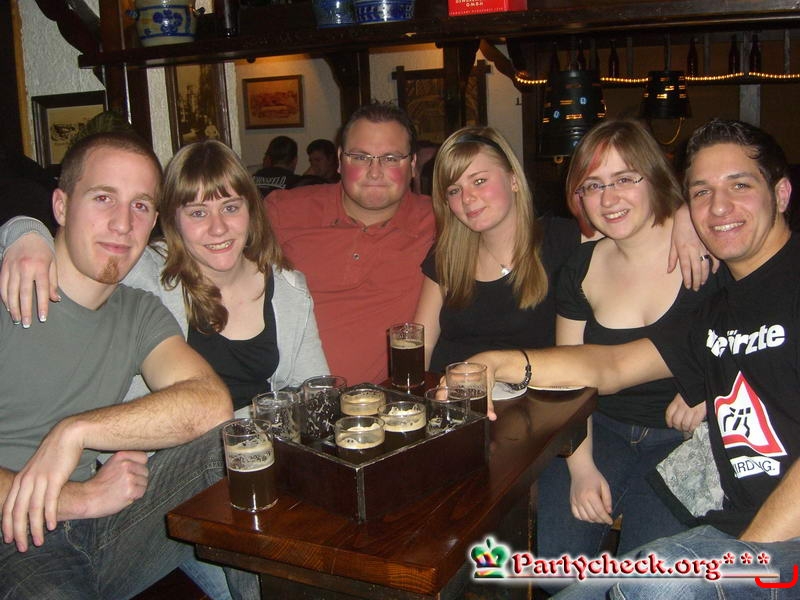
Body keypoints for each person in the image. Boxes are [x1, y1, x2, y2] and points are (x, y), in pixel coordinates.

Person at [471, 119, 800, 598]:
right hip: (722, 519)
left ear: (782, 193)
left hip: (745, 525)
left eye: (740, 185)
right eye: (702, 193)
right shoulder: (717, 314)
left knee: (649, 581)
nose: (719, 207)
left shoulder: (723, 272)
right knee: (564, 574)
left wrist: (743, 565)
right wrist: (495, 364)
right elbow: (610, 366)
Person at [0, 132, 237, 599]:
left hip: (107, 526)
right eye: (103, 198)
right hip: (14, 536)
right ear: (61, 206)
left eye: (141, 206)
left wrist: (75, 431)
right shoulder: (8, 291)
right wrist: (79, 498)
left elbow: (211, 403)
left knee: (231, 448)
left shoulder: (138, 311)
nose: (123, 224)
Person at [538, 118, 719, 567]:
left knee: (650, 570)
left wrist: (710, 390)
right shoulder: (580, 267)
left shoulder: (708, 249)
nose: (608, 198)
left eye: (624, 179)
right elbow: (568, 377)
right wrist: (580, 467)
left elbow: (758, 340)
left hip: (686, 438)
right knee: (556, 562)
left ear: (655, 176)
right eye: (593, 185)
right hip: (602, 428)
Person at [267, 102, 435, 384]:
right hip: (288, 397)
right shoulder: (283, 211)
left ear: (413, 165)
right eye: (360, 157)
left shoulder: (440, 221)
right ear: (340, 161)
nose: (375, 172)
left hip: (384, 402)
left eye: (391, 158)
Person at [413, 126, 582, 373]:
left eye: (479, 181)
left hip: (534, 393)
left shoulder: (564, 240)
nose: (467, 198)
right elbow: (423, 344)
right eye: (454, 190)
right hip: (451, 392)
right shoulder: (447, 255)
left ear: (513, 180)